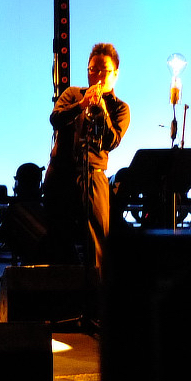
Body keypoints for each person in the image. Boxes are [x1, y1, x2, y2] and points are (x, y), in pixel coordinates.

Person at [42, 43, 130, 289]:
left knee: (97, 242)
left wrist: (101, 109)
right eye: (93, 70)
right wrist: (82, 105)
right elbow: (55, 119)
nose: (97, 76)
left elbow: (112, 141)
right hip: (61, 174)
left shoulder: (120, 108)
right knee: (58, 240)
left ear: (115, 73)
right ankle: (64, 302)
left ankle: (99, 305)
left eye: (103, 70)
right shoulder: (72, 94)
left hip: (94, 175)